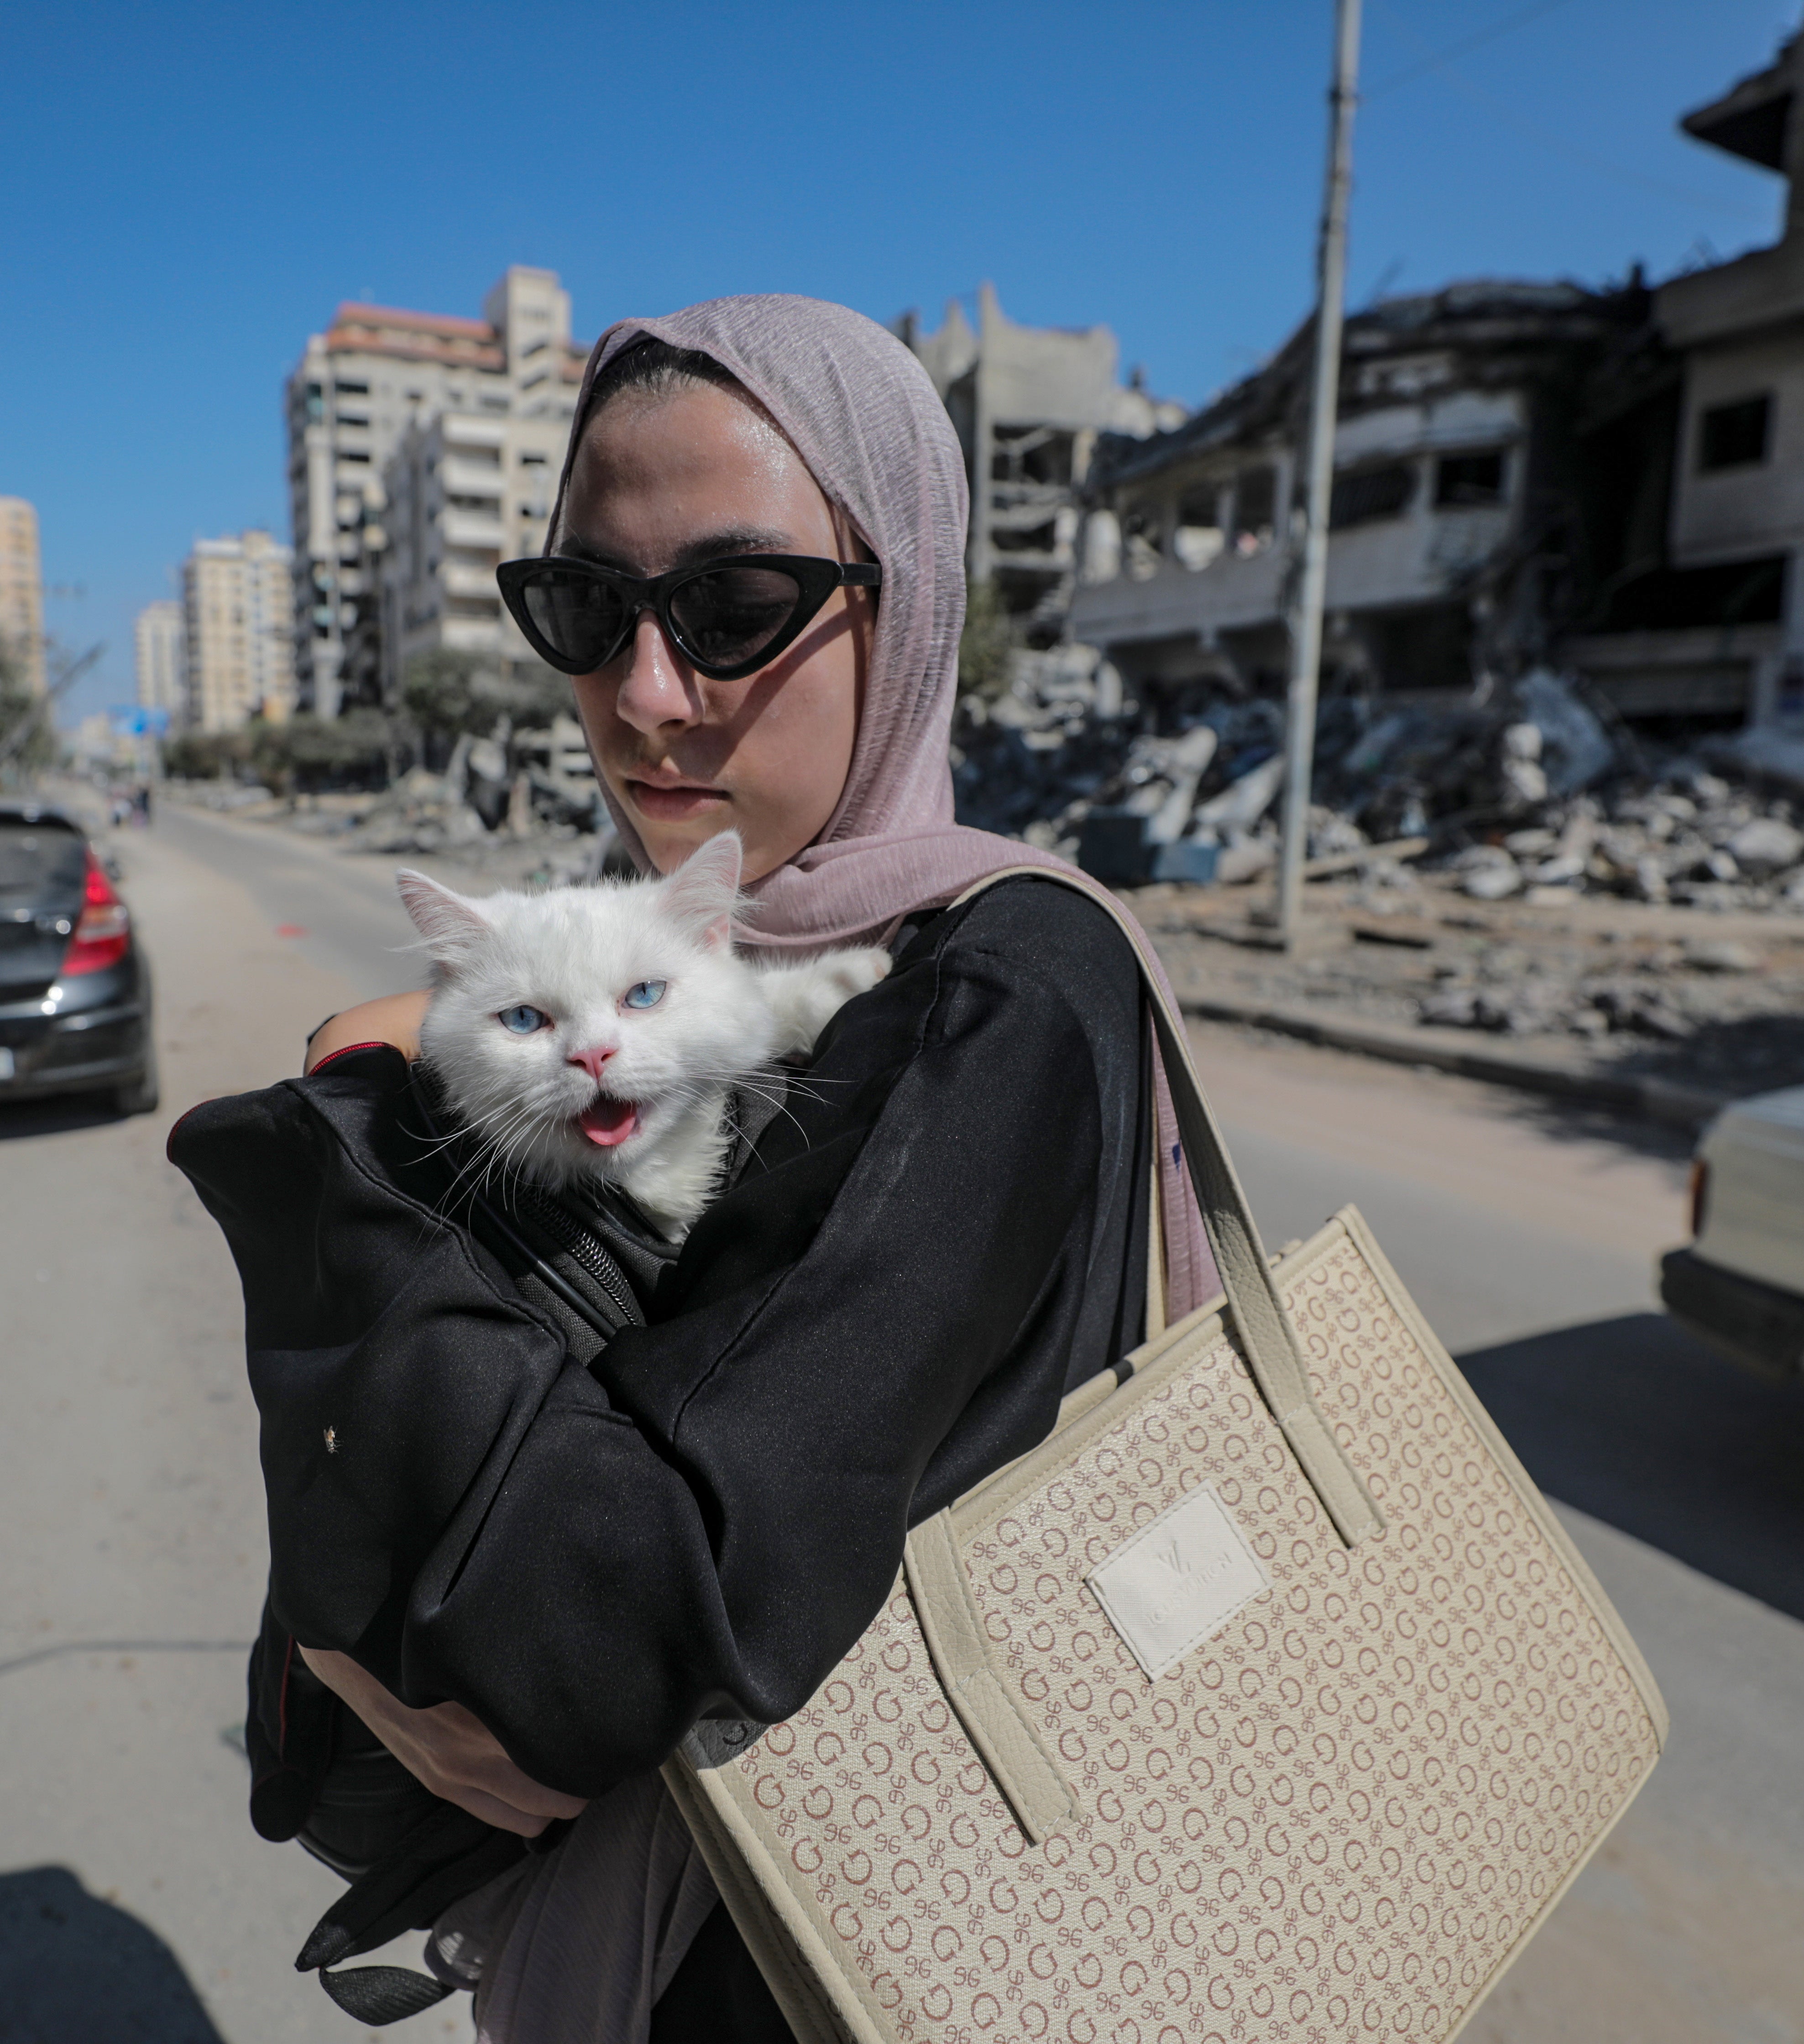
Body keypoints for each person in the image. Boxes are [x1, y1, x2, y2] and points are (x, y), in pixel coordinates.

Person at [253, 297, 1221, 2041]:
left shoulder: (985, 988)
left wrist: (336, 1141)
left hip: (840, 1966)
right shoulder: (703, 970)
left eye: (730, 608)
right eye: (586, 611)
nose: (642, 696)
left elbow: (600, 1617)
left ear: (902, 600)